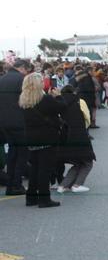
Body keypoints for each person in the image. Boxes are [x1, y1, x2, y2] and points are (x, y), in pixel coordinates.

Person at [20, 73, 66, 208]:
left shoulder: (24, 100)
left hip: (31, 138)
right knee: (44, 169)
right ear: (37, 84)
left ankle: (31, 197)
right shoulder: (45, 99)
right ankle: (44, 199)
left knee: (34, 168)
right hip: (47, 137)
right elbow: (62, 107)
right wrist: (58, 95)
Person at [56, 85, 95, 193]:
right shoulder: (79, 101)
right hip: (79, 134)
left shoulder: (58, 102)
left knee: (78, 163)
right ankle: (77, 185)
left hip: (64, 136)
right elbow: (87, 118)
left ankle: (63, 185)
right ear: (73, 92)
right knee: (87, 162)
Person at [0, 59, 29, 196]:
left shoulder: (2, 79)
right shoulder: (22, 79)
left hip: (4, 122)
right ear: (22, 68)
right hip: (19, 122)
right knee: (22, 154)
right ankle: (16, 185)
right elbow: (26, 101)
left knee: (12, 154)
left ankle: (10, 186)